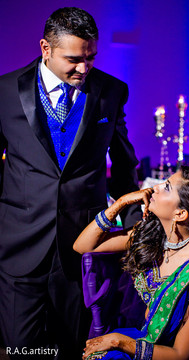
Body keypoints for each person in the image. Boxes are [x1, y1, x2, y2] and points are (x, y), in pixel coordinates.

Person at [0, 7, 142, 359]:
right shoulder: (4, 91)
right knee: (22, 350)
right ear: (45, 48)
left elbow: (124, 168)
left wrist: (135, 232)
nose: (84, 68)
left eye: (91, 57)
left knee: (73, 348)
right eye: (74, 59)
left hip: (82, 247)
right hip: (19, 246)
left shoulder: (111, 91)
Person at [73, 165, 189, 360]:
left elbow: (181, 355)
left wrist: (118, 341)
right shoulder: (154, 235)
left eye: (167, 186)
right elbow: (83, 246)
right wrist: (121, 202)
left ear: (180, 214)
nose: (156, 187)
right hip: (151, 338)